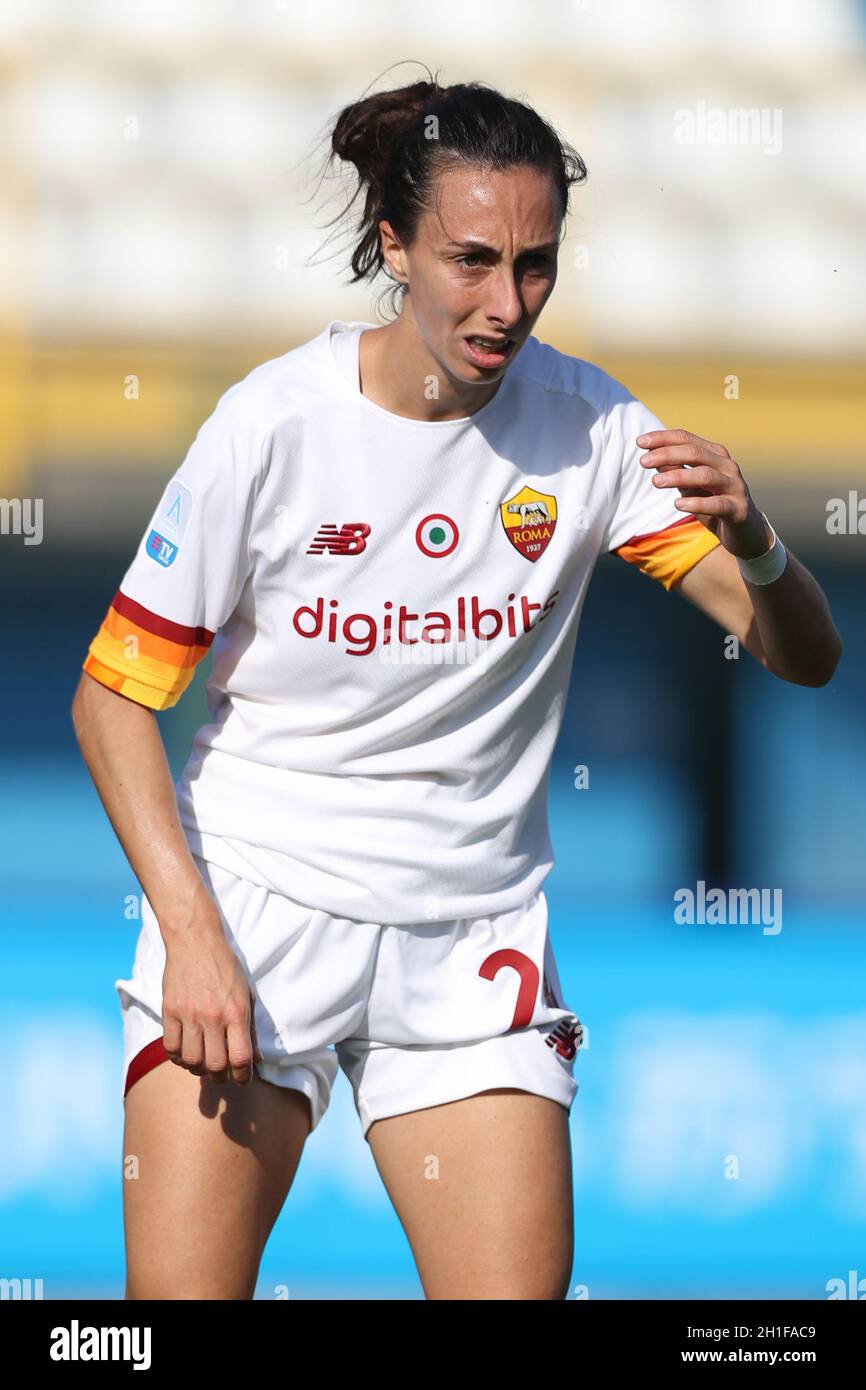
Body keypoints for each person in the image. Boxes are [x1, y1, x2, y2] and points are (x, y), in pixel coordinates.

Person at [71, 73, 842, 1302]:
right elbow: (110, 699)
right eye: (470, 260)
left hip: (472, 948)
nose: (506, 303)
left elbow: (803, 659)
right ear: (391, 243)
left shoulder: (590, 431)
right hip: (254, 919)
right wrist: (192, 935)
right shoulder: (270, 426)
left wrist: (757, 540)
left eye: (535, 264)